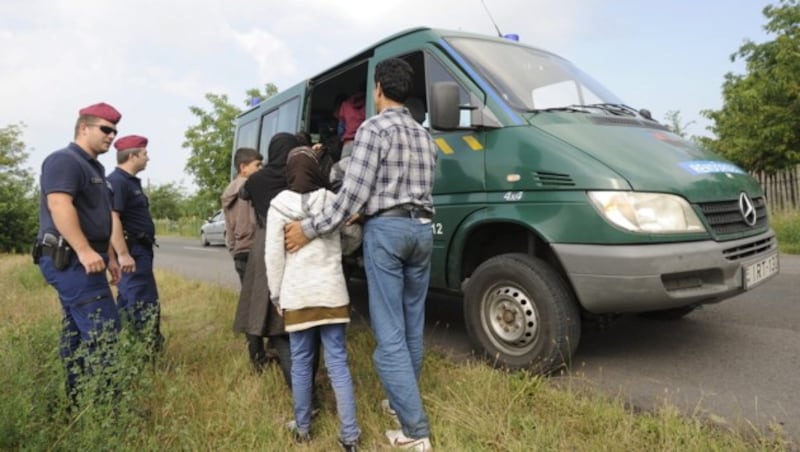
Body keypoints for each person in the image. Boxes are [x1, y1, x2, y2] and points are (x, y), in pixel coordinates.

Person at [284, 58, 437, 450]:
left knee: (389, 333)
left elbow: (351, 194)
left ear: (380, 88)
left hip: (387, 232)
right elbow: (413, 186)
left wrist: (308, 228)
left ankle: (415, 432)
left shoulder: (373, 128)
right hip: (422, 230)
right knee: (411, 322)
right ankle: (398, 401)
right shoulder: (424, 135)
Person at [266, 146, 362, 449]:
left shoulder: (278, 205)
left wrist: (276, 294)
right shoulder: (332, 201)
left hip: (297, 294)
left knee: (302, 363)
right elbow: (352, 238)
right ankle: (350, 436)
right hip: (331, 292)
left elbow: (273, 255)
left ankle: (303, 426)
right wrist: (335, 248)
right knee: (338, 364)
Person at [33, 102, 123, 405]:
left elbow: (100, 217)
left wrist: (109, 256)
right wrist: (84, 250)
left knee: (76, 332)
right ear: (83, 128)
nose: (111, 136)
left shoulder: (93, 167)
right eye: (105, 129)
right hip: (70, 260)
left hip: (88, 259)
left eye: (114, 131)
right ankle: (106, 409)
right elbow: (59, 204)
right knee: (104, 330)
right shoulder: (64, 160)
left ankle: (78, 404)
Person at [233, 133, 300, 377]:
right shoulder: (297, 175)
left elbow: (242, 194)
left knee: (261, 302)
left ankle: (262, 358)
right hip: (298, 241)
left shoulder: (257, 179)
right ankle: (301, 378)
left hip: (265, 243)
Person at [107, 134, 164, 353]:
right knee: (142, 303)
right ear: (132, 156)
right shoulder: (118, 182)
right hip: (133, 252)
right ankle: (146, 353)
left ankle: (131, 348)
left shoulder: (128, 181)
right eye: (144, 154)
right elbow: (113, 218)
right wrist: (122, 253)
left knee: (133, 301)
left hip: (140, 251)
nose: (148, 158)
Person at [221, 147, 262, 283]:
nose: (260, 169)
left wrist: (234, 250)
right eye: (257, 165)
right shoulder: (250, 187)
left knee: (247, 297)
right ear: (243, 167)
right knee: (259, 299)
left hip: (239, 251)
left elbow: (228, 228)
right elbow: (254, 220)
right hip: (253, 248)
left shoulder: (228, 192)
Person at [328, 91, 366, 190]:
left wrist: (342, 138)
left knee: (344, 176)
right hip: (365, 141)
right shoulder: (368, 101)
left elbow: (341, 129)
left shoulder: (345, 105)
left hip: (348, 144)